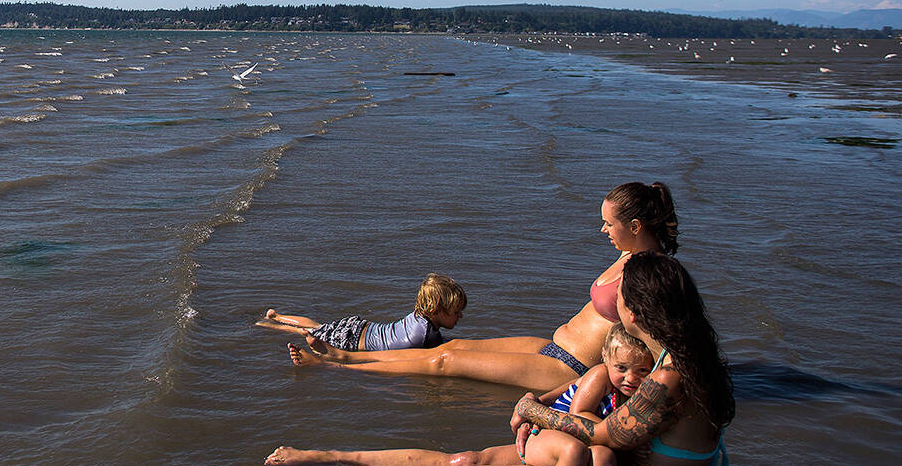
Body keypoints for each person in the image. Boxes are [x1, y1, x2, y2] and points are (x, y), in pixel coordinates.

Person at [265, 252, 734, 466]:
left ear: (638, 308)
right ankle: (334, 455)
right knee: (464, 460)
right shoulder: (685, 353)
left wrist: (535, 411)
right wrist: (551, 403)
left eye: (621, 297)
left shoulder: (674, 372)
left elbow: (608, 436)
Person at [286, 181, 677, 394]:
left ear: (637, 226)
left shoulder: (652, 274)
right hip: (553, 345)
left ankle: (341, 362)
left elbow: (660, 338)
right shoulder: (630, 257)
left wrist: (656, 389)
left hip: (567, 367)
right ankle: (346, 357)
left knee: (445, 363)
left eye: (610, 224)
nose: (604, 230)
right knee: (449, 347)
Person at [520, 322, 653, 466]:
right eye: (621, 368)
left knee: (604, 457)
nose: (631, 378)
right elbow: (579, 414)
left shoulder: (636, 392)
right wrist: (624, 438)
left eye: (642, 370)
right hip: (544, 434)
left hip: (577, 443)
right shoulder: (600, 376)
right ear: (605, 358)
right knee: (573, 451)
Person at [257, 273, 466, 352]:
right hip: (353, 340)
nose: (460, 316)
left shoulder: (419, 317)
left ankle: (275, 317)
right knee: (309, 332)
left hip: (360, 326)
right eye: (456, 312)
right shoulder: (421, 337)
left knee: (316, 326)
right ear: (435, 310)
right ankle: (266, 325)